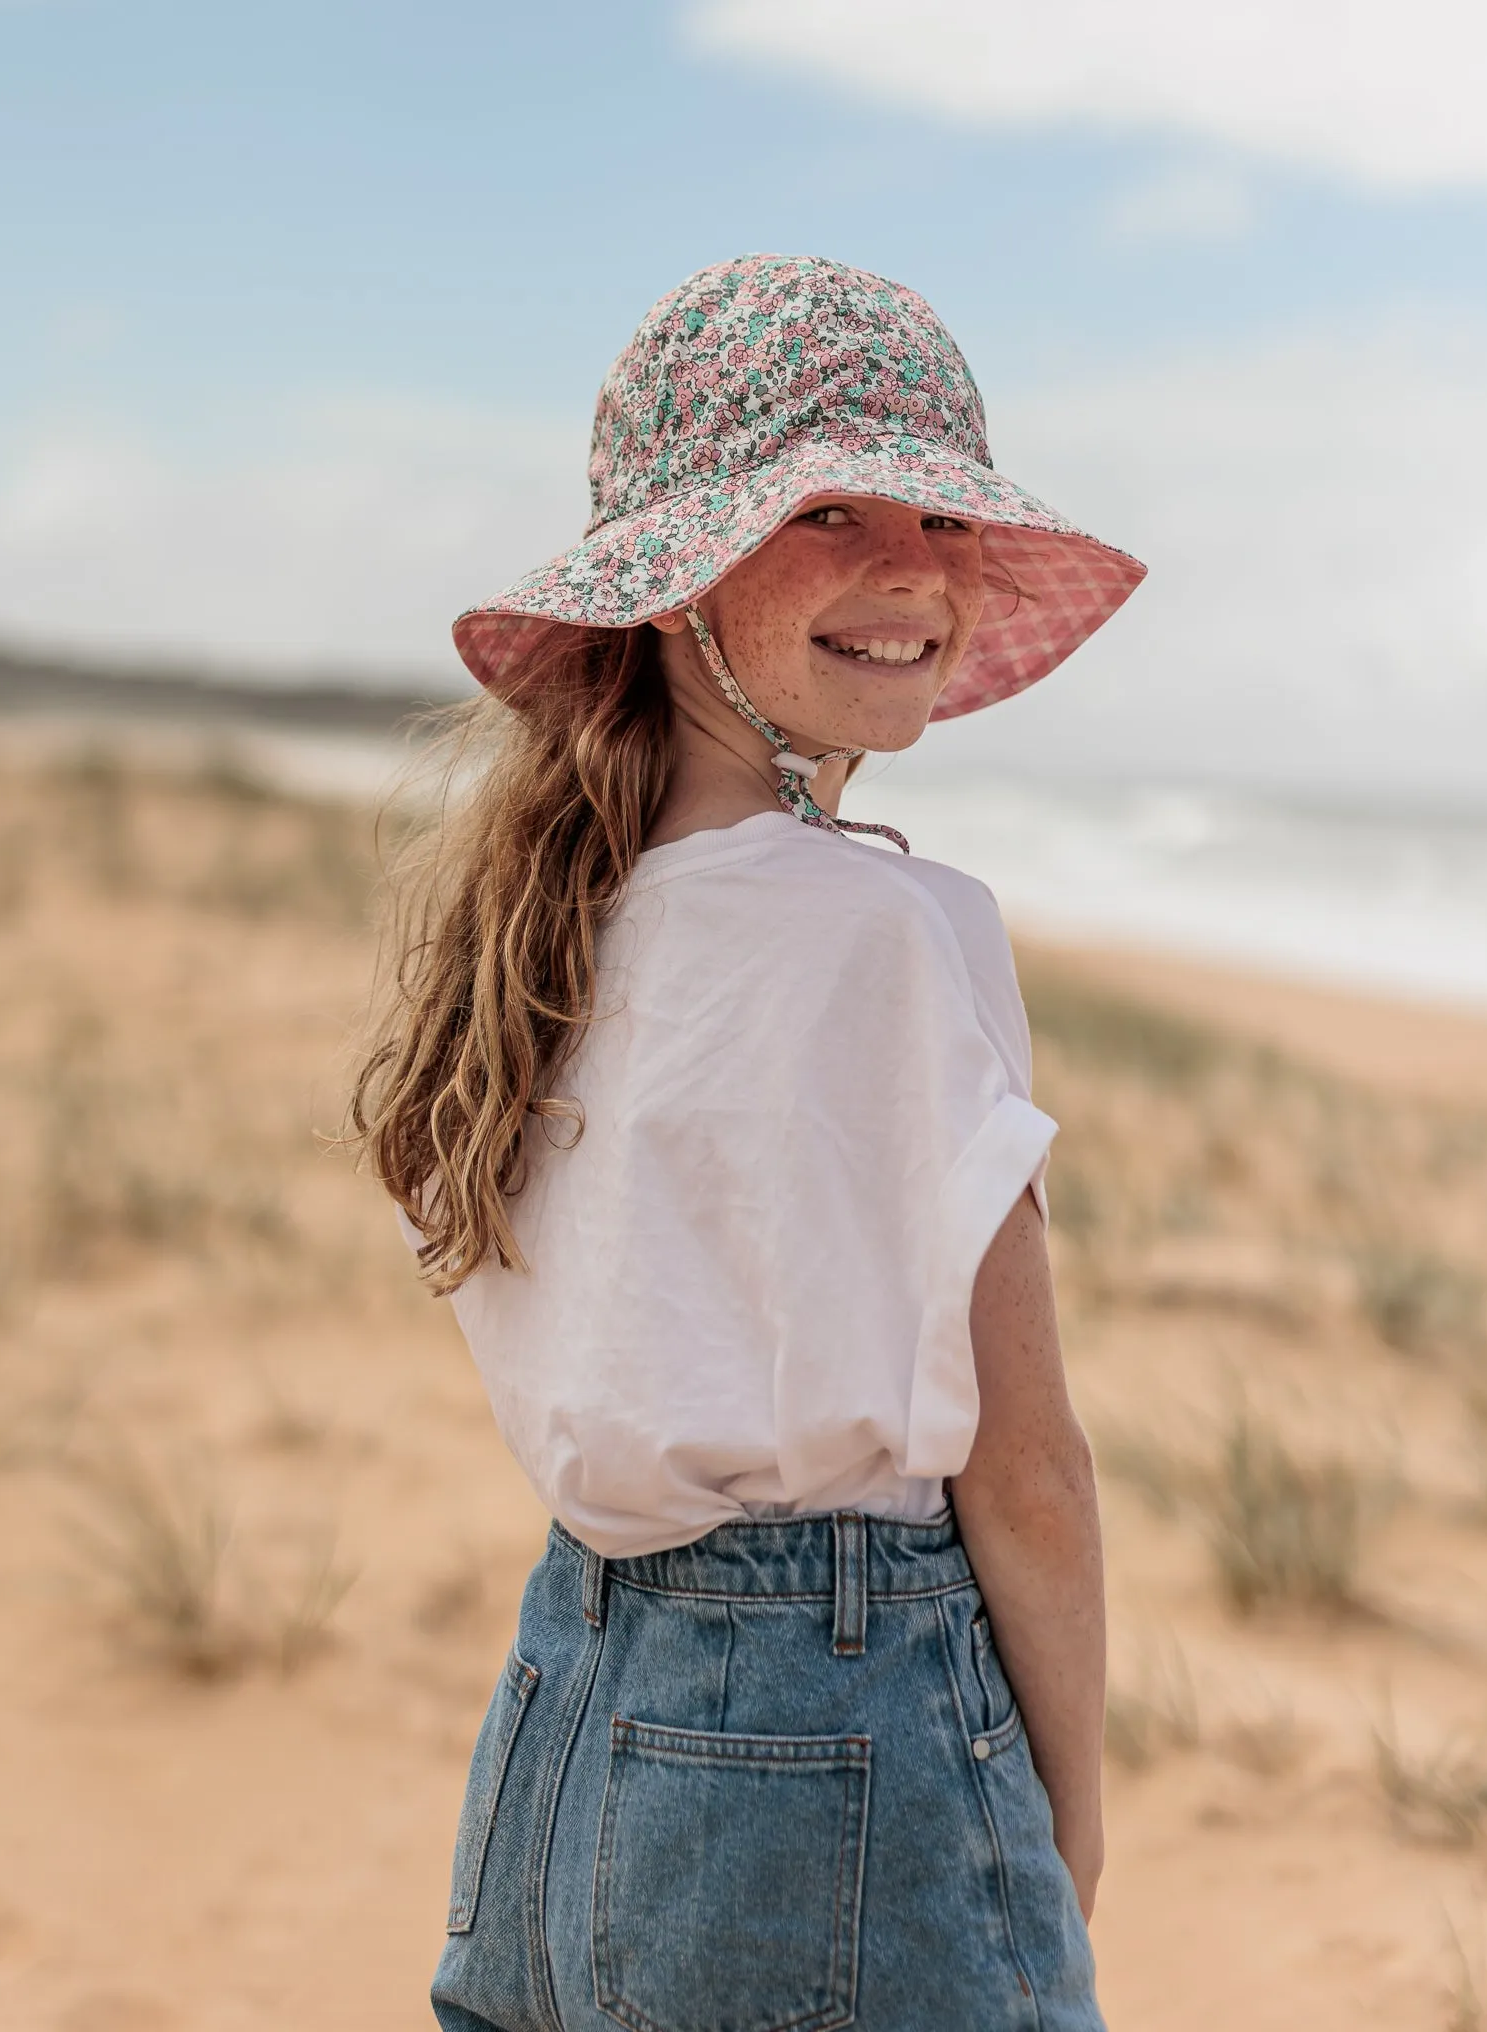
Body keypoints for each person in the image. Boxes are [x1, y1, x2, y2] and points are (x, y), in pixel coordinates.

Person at [350, 254, 1145, 2032]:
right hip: (839, 1731)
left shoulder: (557, 923)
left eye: (939, 508)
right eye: (829, 508)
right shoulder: (894, 929)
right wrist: (1068, 1821)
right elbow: (1027, 1472)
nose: (915, 568)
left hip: (568, 1706)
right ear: (678, 580)